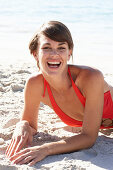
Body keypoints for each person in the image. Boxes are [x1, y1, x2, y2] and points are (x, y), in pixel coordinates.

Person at [5, 21, 113, 166]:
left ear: (69, 53)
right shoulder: (34, 84)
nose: (54, 54)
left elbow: (89, 137)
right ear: (35, 54)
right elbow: (31, 126)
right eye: (47, 47)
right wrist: (22, 125)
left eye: (61, 48)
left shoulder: (90, 77)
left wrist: (46, 149)